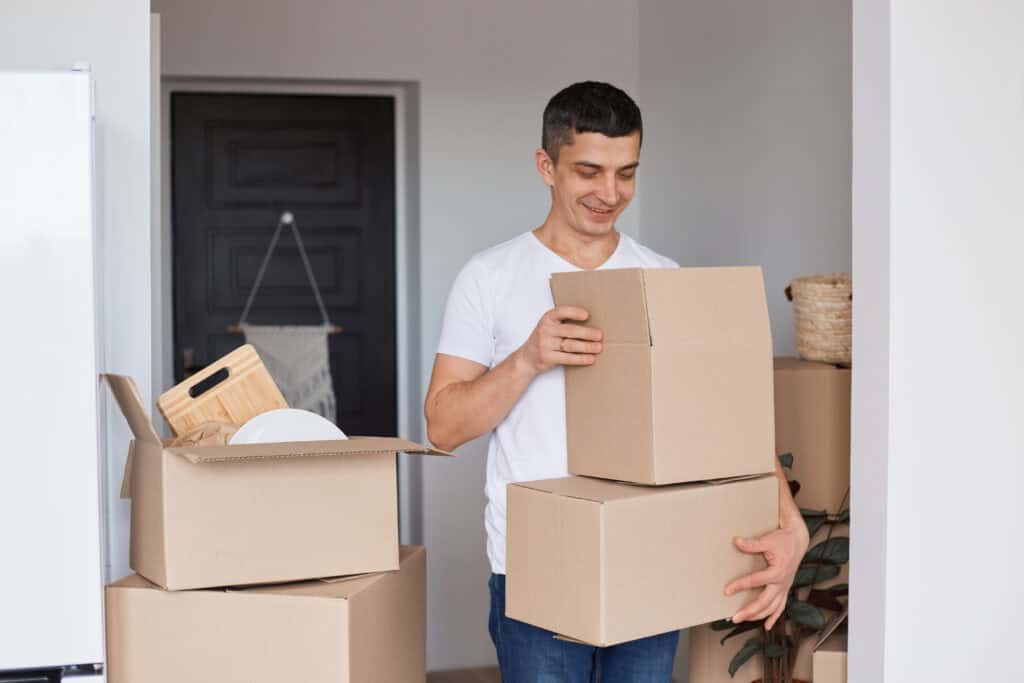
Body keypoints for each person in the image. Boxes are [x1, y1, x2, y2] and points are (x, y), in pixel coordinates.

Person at [424, 81, 809, 682]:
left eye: (626, 173)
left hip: (647, 551)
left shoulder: (660, 276)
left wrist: (790, 522)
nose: (610, 193)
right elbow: (443, 428)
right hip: (537, 561)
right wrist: (528, 358)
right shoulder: (490, 277)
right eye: (589, 171)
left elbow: (720, 414)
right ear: (546, 166)